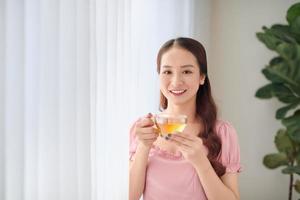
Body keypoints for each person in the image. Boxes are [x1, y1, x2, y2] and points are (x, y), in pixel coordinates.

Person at [129, 37, 241, 200]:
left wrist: (201, 163)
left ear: (202, 77)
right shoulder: (141, 129)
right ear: (159, 75)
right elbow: (130, 196)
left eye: (187, 71)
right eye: (167, 71)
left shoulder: (223, 133)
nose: (176, 81)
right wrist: (143, 147)